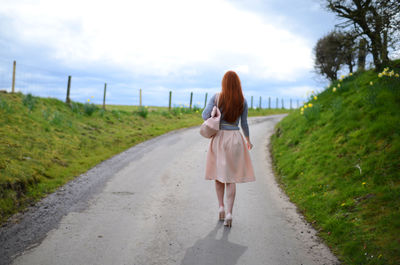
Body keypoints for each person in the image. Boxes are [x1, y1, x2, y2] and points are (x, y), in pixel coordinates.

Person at [202, 70, 255, 228]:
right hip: (235, 138)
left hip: (219, 139)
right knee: (231, 178)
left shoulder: (216, 97)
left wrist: (215, 114)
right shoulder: (242, 100)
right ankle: (230, 213)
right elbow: (244, 123)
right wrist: (248, 140)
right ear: (237, 83)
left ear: (224, 83)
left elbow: (205, 115)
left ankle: (221, 208)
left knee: (219, 175)